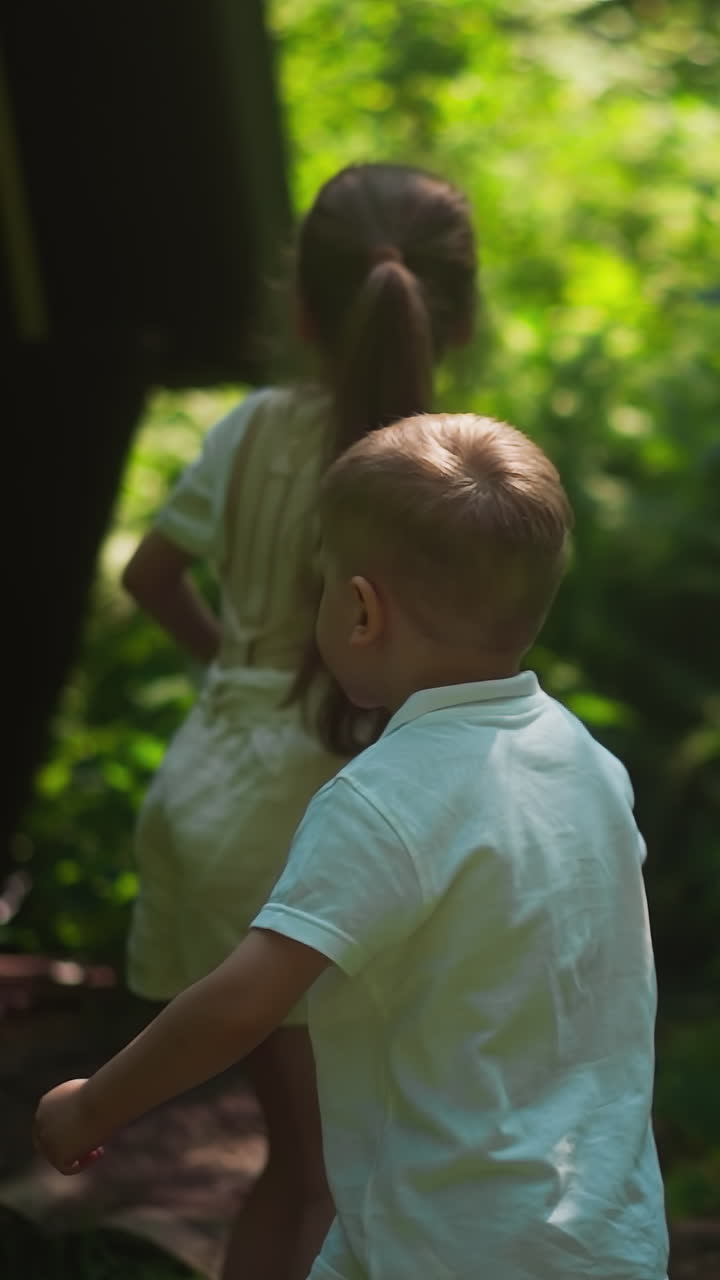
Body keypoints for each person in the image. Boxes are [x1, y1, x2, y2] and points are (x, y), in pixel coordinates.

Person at [35, 412, 669, 1280]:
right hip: (604, 1234)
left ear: (362, 610)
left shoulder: (380, 801)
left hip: (436, 1243)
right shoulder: (589, 765)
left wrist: (91, 1107)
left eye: (323, 584)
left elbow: (242, 1002)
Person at [118, 164, 477, 1280]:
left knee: (304, 1164)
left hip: (204, 799)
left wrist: (238, 662)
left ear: (302, 306)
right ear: (454, 314)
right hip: (302, 826)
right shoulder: (444, 470)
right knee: (330, 1174)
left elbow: (148, 572)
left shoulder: (251, 426)